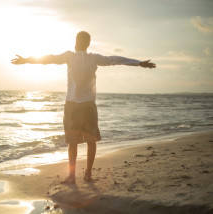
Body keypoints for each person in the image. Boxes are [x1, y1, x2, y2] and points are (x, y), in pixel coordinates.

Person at [11, 31, 156, 183]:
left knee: (75, 142)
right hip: (86, 105)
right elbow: (116, 59)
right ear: (87, 43)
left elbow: (48, 59)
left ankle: (76, 176)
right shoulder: (91, 58)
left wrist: (26, 60)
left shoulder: (71, 57)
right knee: (87, 141)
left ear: (77, 42)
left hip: (75, 105)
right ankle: (84, 175)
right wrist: (139, 63)